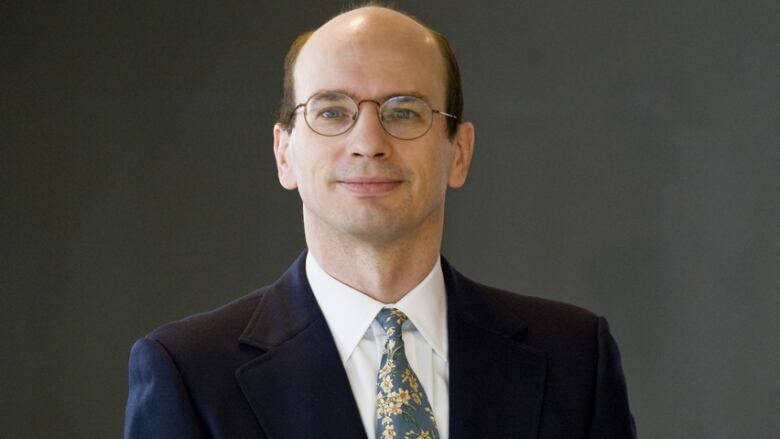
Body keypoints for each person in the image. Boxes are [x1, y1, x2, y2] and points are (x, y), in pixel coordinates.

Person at [125, 5, 636, 439]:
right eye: (331, 112)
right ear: (285, 154)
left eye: (405, 111)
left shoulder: (573, 358)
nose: (368, 141)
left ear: (460, 153)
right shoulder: (189, 373)